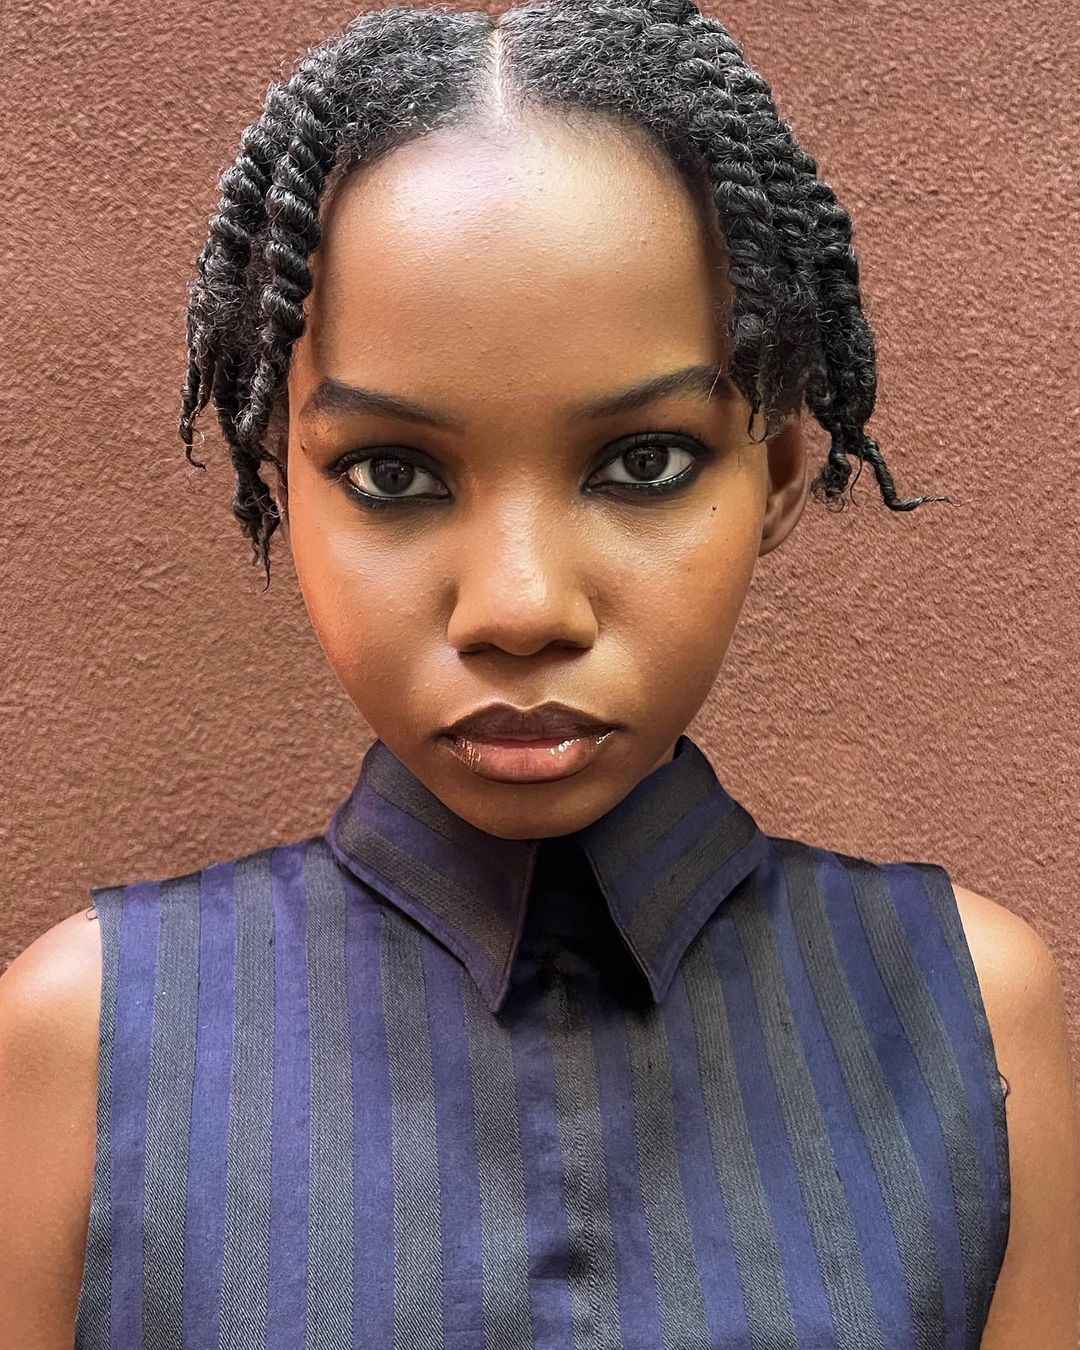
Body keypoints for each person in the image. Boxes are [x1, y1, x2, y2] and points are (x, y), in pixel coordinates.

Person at [2, 0, 1077, 1345]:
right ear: (285, 483)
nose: (518, 608)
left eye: (643, 462)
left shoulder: (970, 1013)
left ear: (779, 476)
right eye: (392, 474)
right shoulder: (83, 1042)